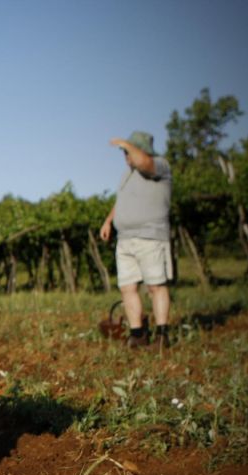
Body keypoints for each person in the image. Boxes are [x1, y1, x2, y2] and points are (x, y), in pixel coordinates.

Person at [99, 131, 173, 349]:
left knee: (155, 286)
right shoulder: (128, 174)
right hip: (125, 239)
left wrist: (125, 143)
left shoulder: (159, 166)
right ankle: (137, 334)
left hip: (150, 237)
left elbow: (144, 161)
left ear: (139, 150)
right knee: (127, 288)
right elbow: (121, 202)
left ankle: (162, 335)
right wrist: (108, 221)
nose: (125, 156)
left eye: (128, 151)